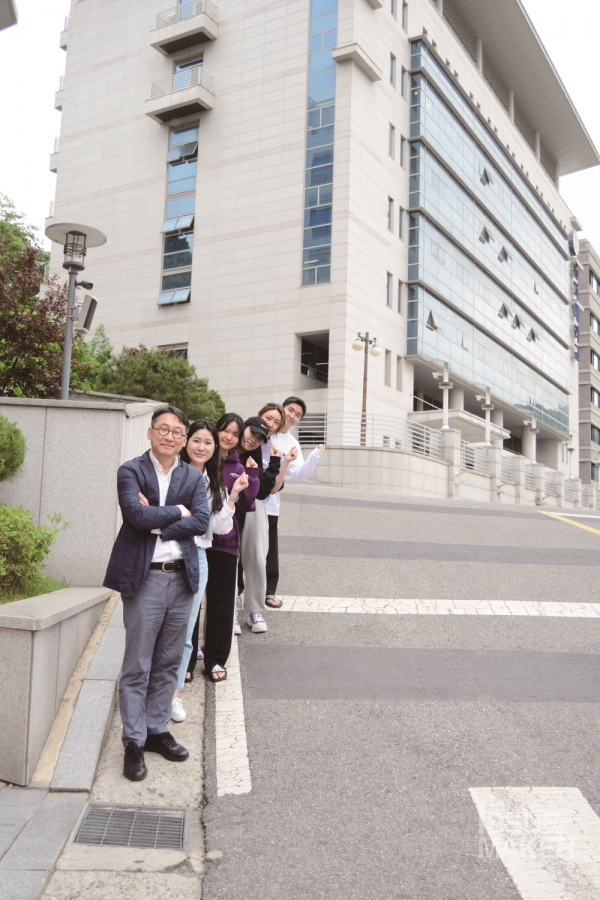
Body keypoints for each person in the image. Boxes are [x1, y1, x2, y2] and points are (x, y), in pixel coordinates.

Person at [103, 406, 210, 782]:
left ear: (183, 439)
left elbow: (201, 520)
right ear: (150, 433)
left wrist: (161, 520)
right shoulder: (131, 470)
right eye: (163, 429)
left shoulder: (193, 477)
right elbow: (135, 516)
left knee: (168, 662)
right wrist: (177, 512)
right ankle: (133, 742)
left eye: (177, 432)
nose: (170, 436)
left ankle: (156, 730)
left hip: (182, 579)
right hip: (144, 578)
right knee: (137, 664)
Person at [165, 420, 249, 718]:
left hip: (197, 554)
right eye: (197, 441)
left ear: (216, 449)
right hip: (165, 554)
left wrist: (234, 496)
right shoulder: (171, 473)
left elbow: (216, 526)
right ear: (186, 442)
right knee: (164, 626)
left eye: (208, 443)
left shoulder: (215, 481)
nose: (202, 447)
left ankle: (173, 695)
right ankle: (157, 686)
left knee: (186, 627)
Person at [206, 413, 261, 667]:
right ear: (216, 430)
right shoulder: (201, 460)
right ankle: (189, 655)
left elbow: (248, 503)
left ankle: (216, 659)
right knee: (191, 603)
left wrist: (252, 475)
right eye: (225, 430)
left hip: (225, 543)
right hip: (195, 540)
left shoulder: (237, 467)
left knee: (221, 604)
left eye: (235, 434)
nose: (229, 437)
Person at [264, 396, 325, 608]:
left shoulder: (292, 443)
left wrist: (315, 456)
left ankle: (269, 591)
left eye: (297, 414)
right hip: (247, 498)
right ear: (282, 408)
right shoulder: (263, 431)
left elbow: (298, 475)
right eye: (290, 410)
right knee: (244, 547)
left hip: (270, 502)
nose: (292, 416)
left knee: (269, 548)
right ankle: (239, 590)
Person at [236, 415, 290, 633]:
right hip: (228, 509)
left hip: (253, 509)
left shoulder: (260, 452)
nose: (253, 440)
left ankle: (255, 610)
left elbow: (262, 492)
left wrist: (276, 463)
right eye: (251, 434)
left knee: (258, 558)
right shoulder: (227, 447)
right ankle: (230, 612)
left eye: (259, 437)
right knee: (229, 562)